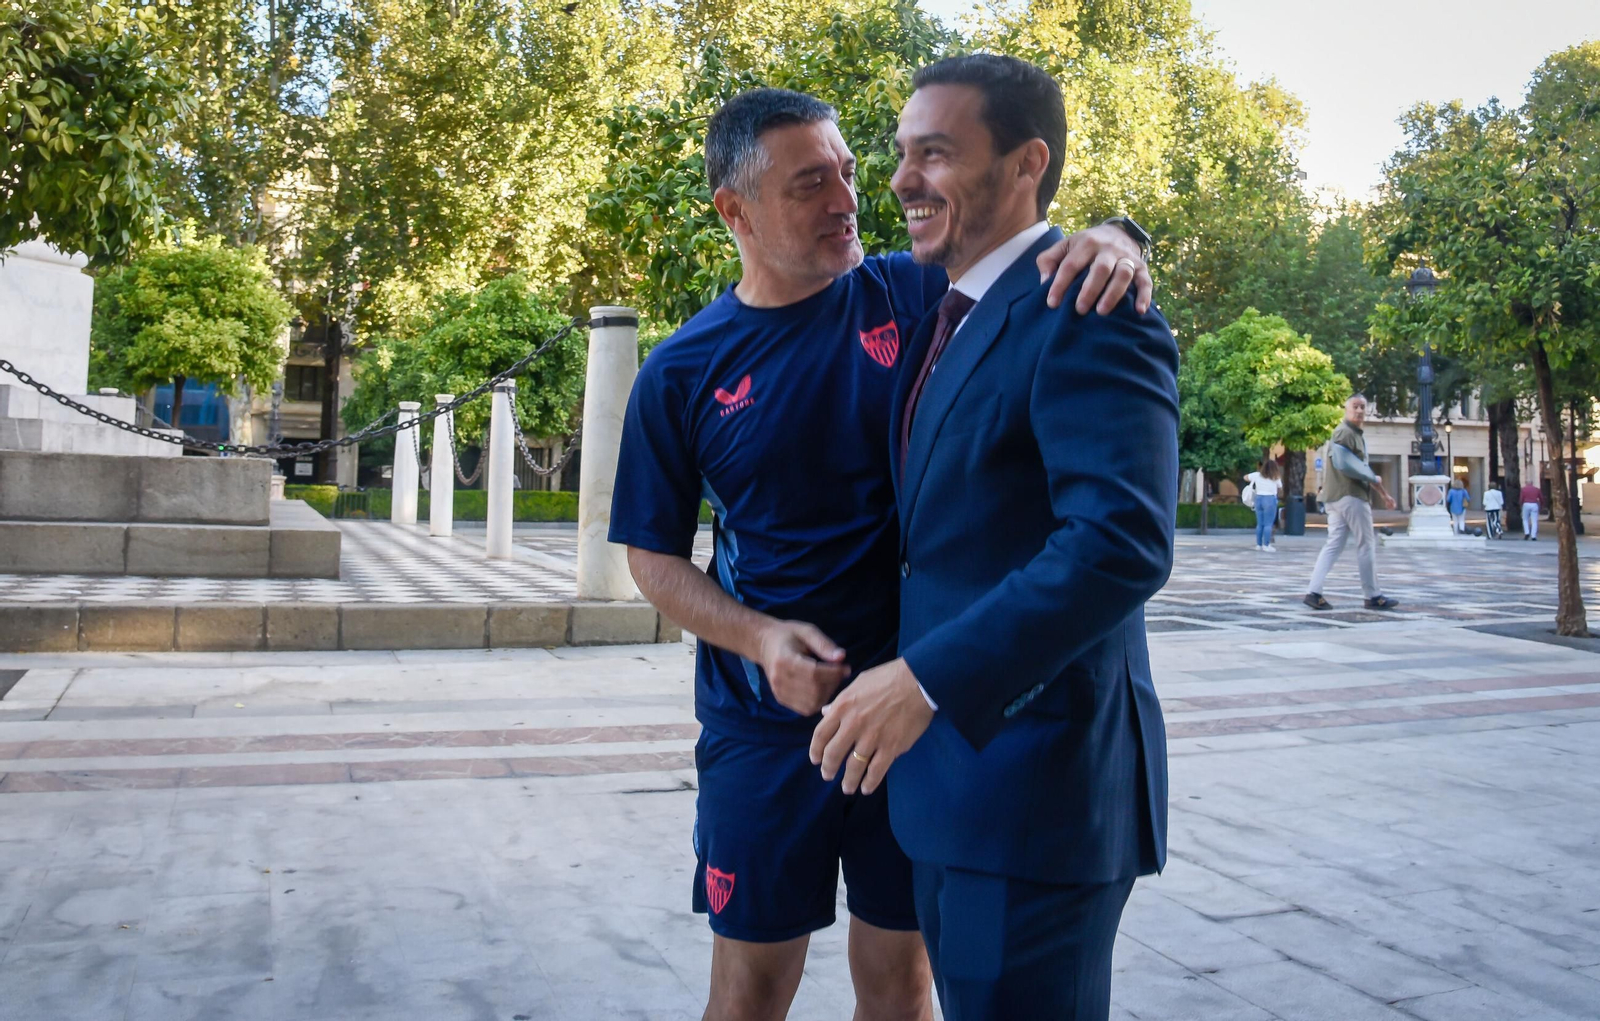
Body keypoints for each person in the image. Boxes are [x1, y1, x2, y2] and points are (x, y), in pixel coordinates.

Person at [608, 86, 1150, 1021]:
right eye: (809, 185)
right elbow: (651, 560)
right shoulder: (681, 371)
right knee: (750, 989)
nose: (848, 201)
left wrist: (1121, 234)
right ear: (735, 211)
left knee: (901, 984)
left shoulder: (915, 291)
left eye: (849, 173)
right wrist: (760, 639)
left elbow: (1029, 256)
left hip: (918, 716)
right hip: (766, 727)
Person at [808, 54, 1177, 1020]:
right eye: (901, 153)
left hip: (1037, 797)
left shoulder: (1089, 309)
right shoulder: (951, 306)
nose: (901, 180)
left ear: (1026, 164)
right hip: (955, 795)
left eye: (936, 153)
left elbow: (1122, 542)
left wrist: (926, 679)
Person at [1303, 395, 1400, 611]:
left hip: (1336, 498)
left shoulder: (1351, 434)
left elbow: (1361, 469)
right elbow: (1349, 466)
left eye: (1362, 407)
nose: (1359, 410)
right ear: (1346, 409)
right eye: (1355, 406)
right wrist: (1377, 485)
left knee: (1333, 545)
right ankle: (1372, 596)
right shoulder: (1345, 433)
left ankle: (1313, 592)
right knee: (1366, 544)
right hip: (1351, 497)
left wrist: (1383, 493)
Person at [1245, 459, 1282, 551]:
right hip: (1270, 499)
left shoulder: (1257, 475)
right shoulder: (1275, 477)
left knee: (1260, 524)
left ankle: (1259, 545)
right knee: (1268, 524)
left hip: (1258, 499)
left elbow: (1245, 477)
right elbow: (1280, 487)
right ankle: (1266, 545)